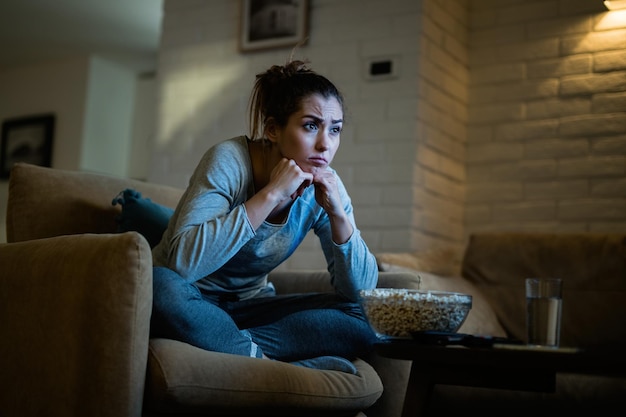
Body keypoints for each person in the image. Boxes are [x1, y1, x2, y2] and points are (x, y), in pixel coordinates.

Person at [150, 58, 379, 374]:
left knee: (369, 317)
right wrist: (271, 195)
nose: (325, 144)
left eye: (335, 129)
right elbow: (182, 264)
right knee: (157, 285)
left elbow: (360, 293)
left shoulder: (325, 184)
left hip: (251, 308)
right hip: (192, 302)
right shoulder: (229, 160)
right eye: (310, 125)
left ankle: (241, 350)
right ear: (273, 129)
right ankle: (273, 364)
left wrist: (339, 214)